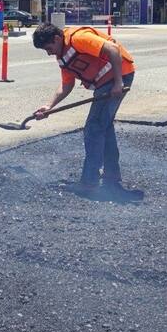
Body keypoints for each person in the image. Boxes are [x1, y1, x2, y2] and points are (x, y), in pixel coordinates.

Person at [31, 23, 139, 200]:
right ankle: (111, 176)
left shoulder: (78, 39)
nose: (49, 53)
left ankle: (89, 183)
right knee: (104, 128)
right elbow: (67, 85)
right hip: (106, 82)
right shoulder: (63, 55)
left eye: (49, 48)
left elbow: (112, 49)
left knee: (94, 128)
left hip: (117, 76)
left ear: (57, 39)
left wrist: (119, 82)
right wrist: (49, 106)